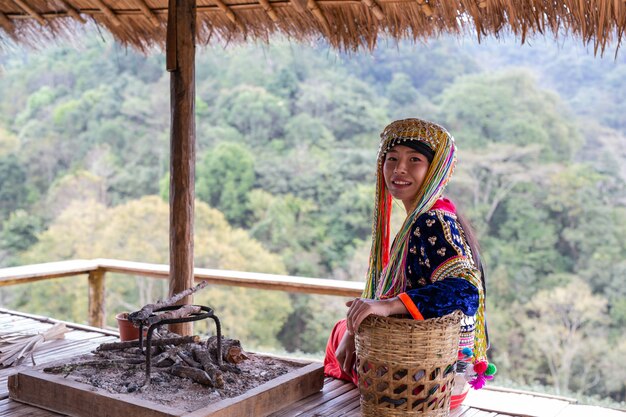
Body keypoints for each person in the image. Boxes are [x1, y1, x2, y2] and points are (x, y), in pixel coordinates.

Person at [323, 118, 495, 409]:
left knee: (340, 338)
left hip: (423, 384)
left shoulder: (431, 221)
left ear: (435, 169)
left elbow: (466, 290)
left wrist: (387, 305)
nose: (399, 169)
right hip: (445, 380)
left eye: (414, 160)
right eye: (392, 159)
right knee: (347, 327)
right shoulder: (438, 212)